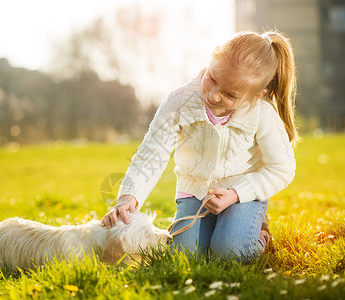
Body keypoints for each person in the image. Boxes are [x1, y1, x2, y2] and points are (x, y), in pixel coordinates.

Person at [101, 30, 298, 262]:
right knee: (185, 257)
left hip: (242, 196)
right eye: (213, 79)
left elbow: (281, 169)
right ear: (211, 59)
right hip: (194, 194)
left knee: (229, 254)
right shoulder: (179, 101)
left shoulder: (262, 114)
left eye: (230, 95)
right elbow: (151, 155)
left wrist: (235, 194)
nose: (214, 96)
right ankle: (214, 229)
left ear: (257, 95)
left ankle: (260, 236)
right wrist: (128, 198)